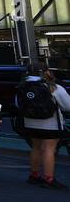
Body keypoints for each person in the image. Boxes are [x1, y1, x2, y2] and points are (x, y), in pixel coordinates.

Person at [14, 60, 70, 189]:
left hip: (30, 123)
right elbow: (67, 106)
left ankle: (34, 175)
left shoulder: (22, 86)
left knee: (36, 147)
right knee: (49, 149)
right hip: (50, 124)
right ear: (46, 72)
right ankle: (49, 179)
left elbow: (18, 104)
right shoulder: (53, 87)